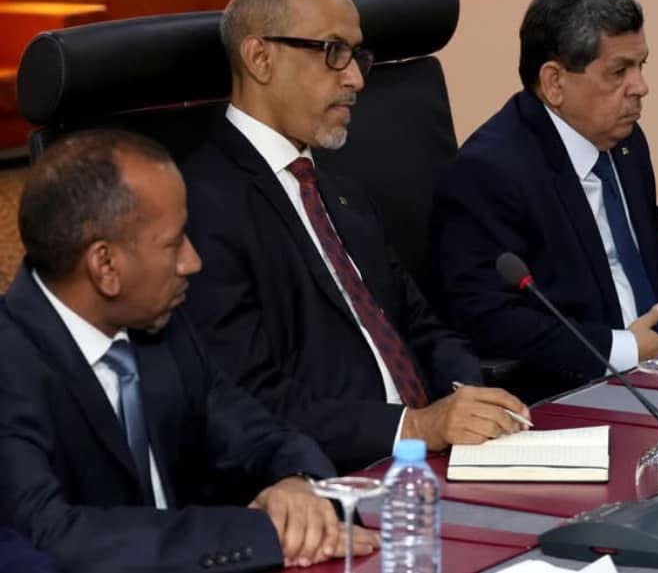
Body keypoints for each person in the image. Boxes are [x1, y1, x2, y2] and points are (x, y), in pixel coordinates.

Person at [179, 0, 529, 474]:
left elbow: (420, 325)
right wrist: (414, 427)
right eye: (333, 52)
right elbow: (249, 396)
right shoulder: (200, 203)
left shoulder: (341, 188)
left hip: (436, 459)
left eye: (357, 56)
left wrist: (471, 396)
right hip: (328, 478)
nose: (356, 79)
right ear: (260, 58)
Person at [0, 129, 376, 573]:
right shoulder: (10, 363)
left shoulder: (160, 323)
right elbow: (50, 536)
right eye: (174, 242)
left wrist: (297, 486)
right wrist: (262, 534)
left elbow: (255, 432)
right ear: (106, 266)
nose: (193, 262)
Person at [430, 0, 658, 402]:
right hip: (572, 392)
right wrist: (624, 350)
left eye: (642, 65)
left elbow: (650, 249)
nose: (641, 86)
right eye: (620, 71)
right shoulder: (490, 172)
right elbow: (489, 319)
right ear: (554, 82)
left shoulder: (625, 142)